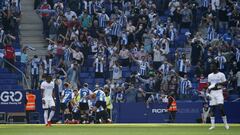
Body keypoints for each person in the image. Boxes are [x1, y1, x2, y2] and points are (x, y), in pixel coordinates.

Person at [207, 63, 229, 130]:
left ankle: (226, 124)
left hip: (219, 92)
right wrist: (208, 93)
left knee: (221, 108)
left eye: (212, 66)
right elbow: (209, 85)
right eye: (210, 66)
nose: (211, 68)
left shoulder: (221, 74)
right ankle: (213, 125)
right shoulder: (209, 75)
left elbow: (226, 83)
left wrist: (219, 83)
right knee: (212, 109)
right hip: (212, 93)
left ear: (216, 67)